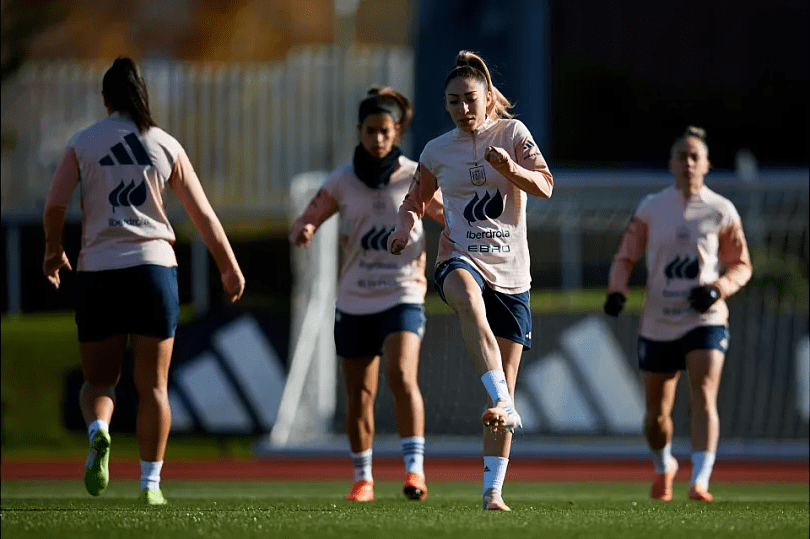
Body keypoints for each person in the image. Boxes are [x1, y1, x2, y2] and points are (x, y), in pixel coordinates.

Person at [42, 57, 245, 505]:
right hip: (154, 270)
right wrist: (229, 266)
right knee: (153, 385)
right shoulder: (166, 145)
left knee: (98, 383)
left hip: (98, 272)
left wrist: (53, 249)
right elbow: (203, 215)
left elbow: (54, 205)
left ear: (105, 98)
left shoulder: (82, 142)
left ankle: (99, 431)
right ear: (141, 96)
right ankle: (150, 486)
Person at [388, 51, 553, 511]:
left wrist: (511, 171)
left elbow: (546, 184)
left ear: (486, 98)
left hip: (513, 274)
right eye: (453, 101)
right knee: (464, 293)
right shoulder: (437, 150)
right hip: (461, 258)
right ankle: (503, 399)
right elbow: (414, 200)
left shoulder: (513, 134)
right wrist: (404, 227)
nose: (463, 109)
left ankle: (492, 492)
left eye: (469, 99)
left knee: (502, 392)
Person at [289, 87, 444, 503]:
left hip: (403, 293)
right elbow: (308, 217)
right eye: (371, 131)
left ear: (397, 133)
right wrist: (305, 229)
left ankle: (415, 472)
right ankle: (363, 479)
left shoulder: (416, 175)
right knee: (360, 393)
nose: (378, 139)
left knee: (401, 374)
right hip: (355, 299)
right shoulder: (341, 180)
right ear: (359, 131)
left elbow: (451, 217)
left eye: (386, 131)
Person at [604, 126, 752, 503]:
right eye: (680, 156)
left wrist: (718, 288)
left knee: (703, 394)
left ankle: (699, 481)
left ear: (707, 165)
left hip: (705, 318)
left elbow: (742, 266)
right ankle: (664, 465)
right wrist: (617, 291)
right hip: (657, 321)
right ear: (670, 163)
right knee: (656, 417)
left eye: (694, 157)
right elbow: (625, 256)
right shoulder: (651, 206)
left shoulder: (722, 210)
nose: (687, 163)